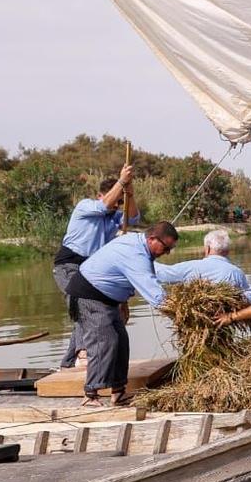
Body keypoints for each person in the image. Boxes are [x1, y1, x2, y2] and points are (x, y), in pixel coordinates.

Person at [65, 219, 178, 403]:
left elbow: (121, 276)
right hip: (88, 296)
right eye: (166, 248)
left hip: (106, 299)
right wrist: (180, 315)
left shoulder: (140, 247)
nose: (166, 253)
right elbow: (156, 296)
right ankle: (90, 395)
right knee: (105, 341)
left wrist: (122, 301)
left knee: (121, 341)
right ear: (152, 239)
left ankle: (118, 391)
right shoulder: (136, 255)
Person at [51, 163, 134, 367]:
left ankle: (67, 363)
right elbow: (103, 206)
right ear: (100, 195)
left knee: (88, 310)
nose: (117, 205)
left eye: (119, 202)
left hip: (90, 270)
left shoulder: (114, 218)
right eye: (116, 201)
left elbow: (132, 217)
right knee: (82, 303)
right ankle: (83, 354)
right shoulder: (85, 206)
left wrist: (130, 193)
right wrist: (121, 181)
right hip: (69, 265)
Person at [156, 227, 249, 289]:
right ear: (228, 251)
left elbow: (163, 274)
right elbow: (248, 302)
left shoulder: (191, 267)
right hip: (228, 317)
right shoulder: (237, 273)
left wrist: (147, 256)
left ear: (207, 249)